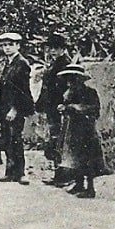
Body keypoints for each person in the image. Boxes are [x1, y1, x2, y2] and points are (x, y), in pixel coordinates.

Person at [56, 63, 109, 198]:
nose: (70, 82)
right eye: (68, 79)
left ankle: (90, 188)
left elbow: (94, 110)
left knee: (88, 158)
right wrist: (64, 108)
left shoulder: (90, 92)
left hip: (86, 130)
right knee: (74, 157)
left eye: (73, 79)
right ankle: (79, 184)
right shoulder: (68, 93)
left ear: (80, 79)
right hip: (71, 129)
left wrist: (73, 108)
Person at [0, 32, 35, 184]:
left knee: (16, 139)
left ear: (18, 46)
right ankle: (10, 172)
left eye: (10, 44)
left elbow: (22, 90)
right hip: (5, 107)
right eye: (4, 45)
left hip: (16, 108)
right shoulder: (8, 63)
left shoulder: (22, 63)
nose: (7, 47)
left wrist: (15, 109)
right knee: (7, 139)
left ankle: (21, 173)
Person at [36, 33, 72, 185]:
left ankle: (63, 176)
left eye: (57, 48)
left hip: (59, 107)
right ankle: (58, 174)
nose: (53, 51)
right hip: (51, 106)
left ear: (63, 49)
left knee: (59, 140)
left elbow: (67, 88)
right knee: (53, 139)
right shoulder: (54, 63)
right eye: (51, 48)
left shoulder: (65, 64)